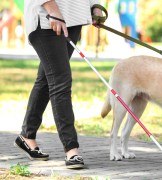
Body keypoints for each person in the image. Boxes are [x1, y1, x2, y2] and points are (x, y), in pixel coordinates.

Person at [14, 0, 104, 169]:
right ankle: (71, 149)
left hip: (74, 18)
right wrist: (52, 8)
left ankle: (26, 136)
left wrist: (95, 5)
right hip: (48, 17)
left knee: (47, 80)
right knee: (61, 81)